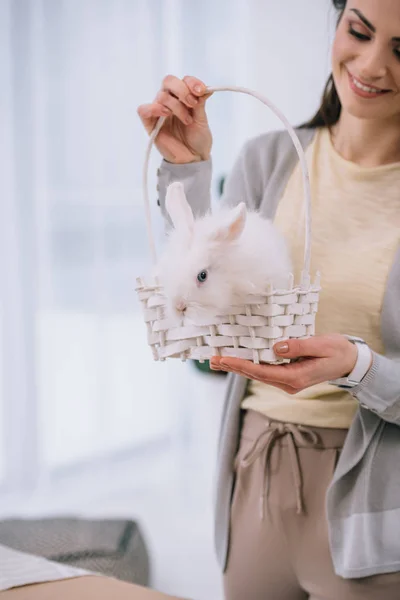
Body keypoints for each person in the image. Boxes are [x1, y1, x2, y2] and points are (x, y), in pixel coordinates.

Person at [138, 1, 400, 599]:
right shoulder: (268, 158)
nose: (371, 63)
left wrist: (358, 367)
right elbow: (209, 354)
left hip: (376, 494)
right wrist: (186, 172)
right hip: (255, 469)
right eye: (358, 30)